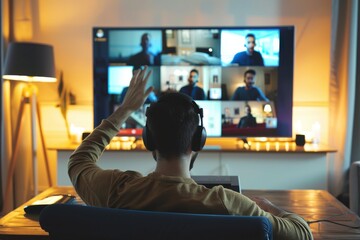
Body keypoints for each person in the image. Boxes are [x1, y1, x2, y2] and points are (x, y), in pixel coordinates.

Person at [68, 66, 313, 240]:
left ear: (148, 140)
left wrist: (123, 110)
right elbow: (302, 233)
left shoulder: (115, 190)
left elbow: (79, 161)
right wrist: (271, 207)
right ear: (198, 140)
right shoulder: (229, 204)